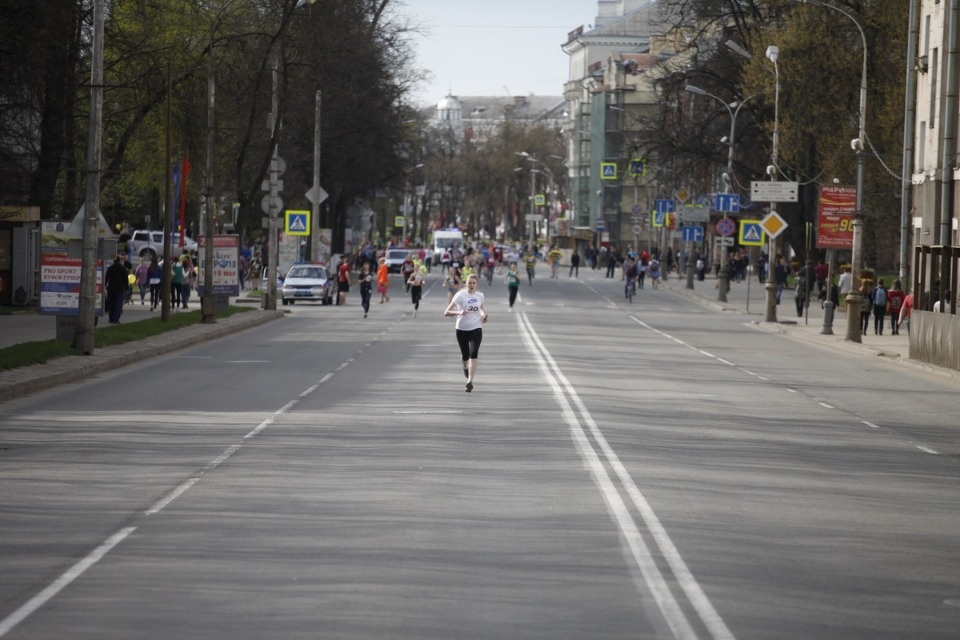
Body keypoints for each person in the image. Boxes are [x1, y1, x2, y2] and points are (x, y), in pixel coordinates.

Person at [443, 273, 488, 393]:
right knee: (465, 355)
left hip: (476, 328)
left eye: (473, 283)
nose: (471, 285)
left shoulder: (480, 295)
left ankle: (469, 381)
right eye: (469, 283)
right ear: (465, 283)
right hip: (461, 329)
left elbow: (481, 309)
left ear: (476, 284)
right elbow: (446, 312)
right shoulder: (460, 295)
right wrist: (459, 313)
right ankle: (465, 366)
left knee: (474, 354)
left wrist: (484, 316)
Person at [105, 255, 128, 324]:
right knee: (118, 304)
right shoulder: (123, 269)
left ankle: (111, 318)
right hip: (120, 288)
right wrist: (126, 287)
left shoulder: (110, 268)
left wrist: (105, 285)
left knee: (111, 304)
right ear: (119, 260)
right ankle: (116, 319)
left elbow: (106, 278)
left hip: (111, 288)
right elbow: (126, 279)